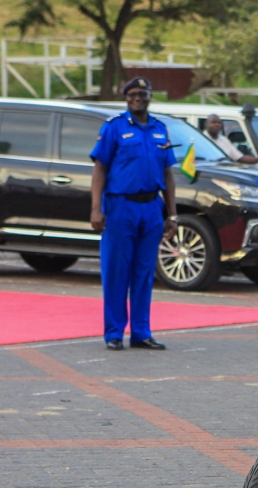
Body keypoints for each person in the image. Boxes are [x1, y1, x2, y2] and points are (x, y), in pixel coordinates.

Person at [90, 77, 178, 351]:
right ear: (126, 98)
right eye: (132, 94)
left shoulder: (160, 129)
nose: (137, 98)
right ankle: (114, 332)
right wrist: (96, 208)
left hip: (151, 208)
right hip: (120, 207)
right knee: (117, 272)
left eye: (142, 93)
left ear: (150, 96)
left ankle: (141, 332)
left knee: (143, 272)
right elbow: (100, 169)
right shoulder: (114, 127)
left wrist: (172, 215)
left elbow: (168, 175)